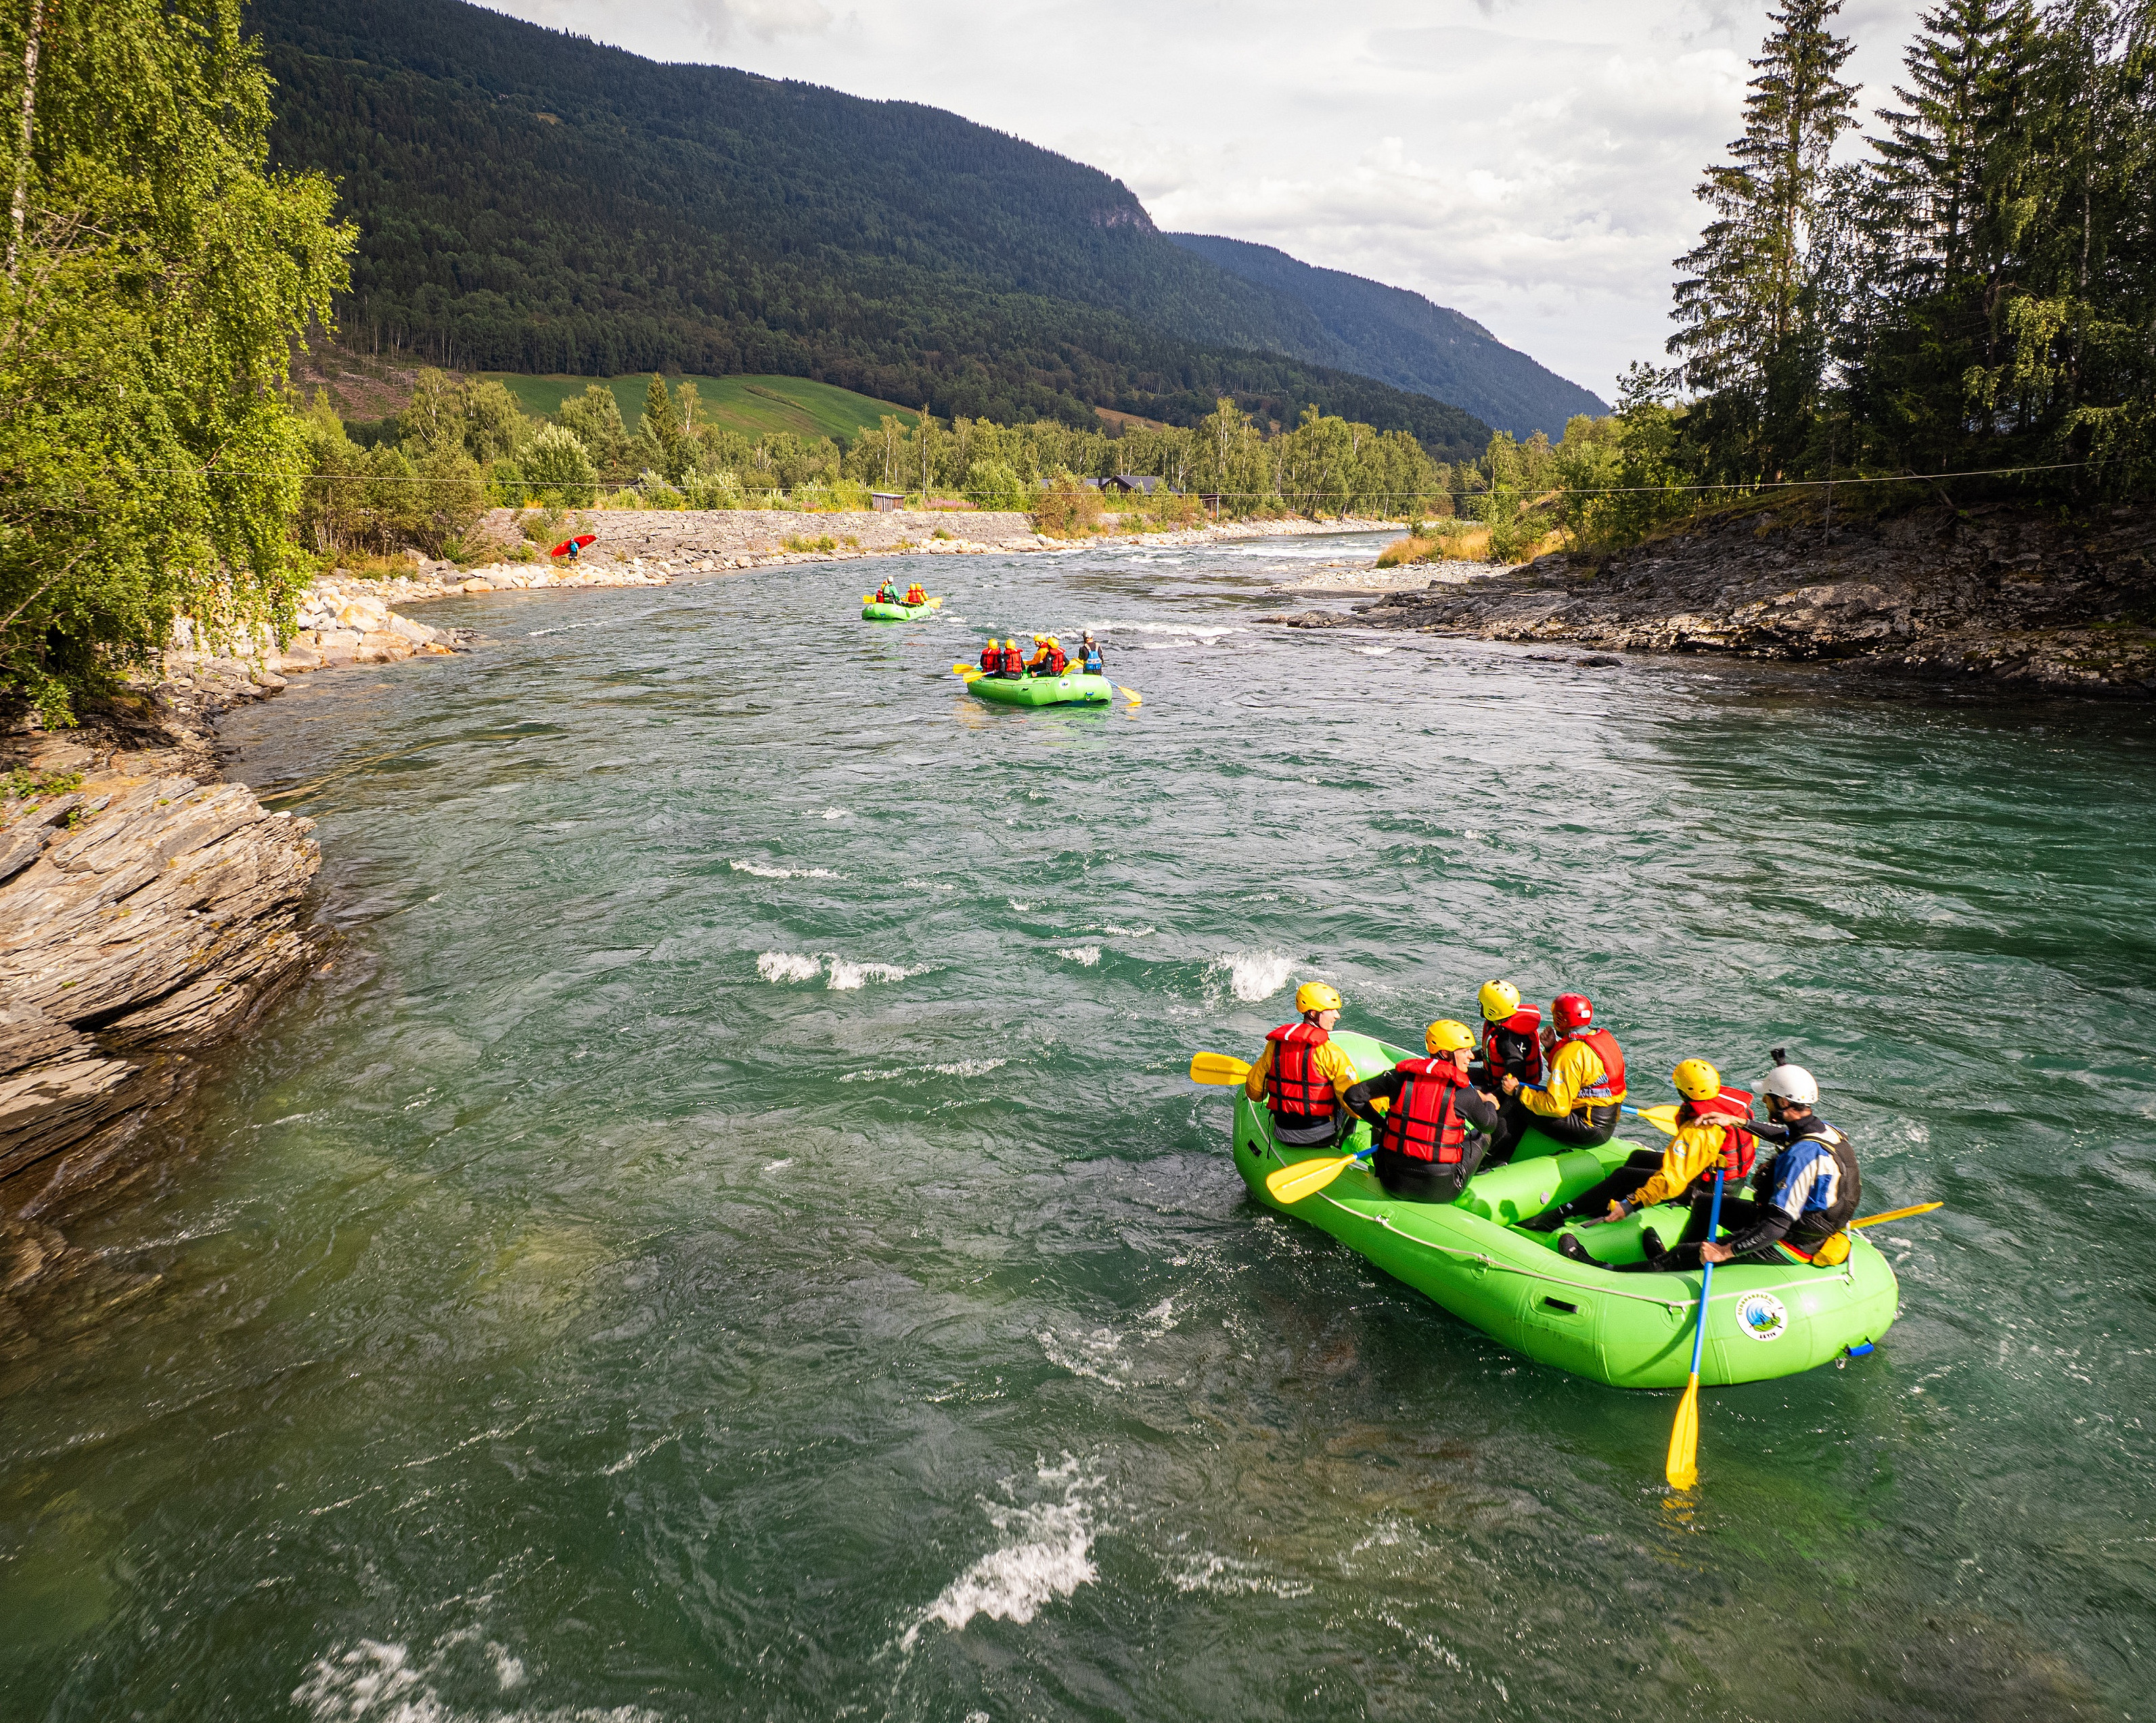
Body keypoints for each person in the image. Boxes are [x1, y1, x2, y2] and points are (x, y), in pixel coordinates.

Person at [1523, 1058, 1756, 1261]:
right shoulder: (1731, 1110)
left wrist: (1632, 1202)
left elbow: (1671, 1181)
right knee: (1638, 1157)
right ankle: (1601, 1208)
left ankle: (1558, 1216)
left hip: (1706, 1191)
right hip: (1722, 1178)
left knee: (1624, 1176)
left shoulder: (1699, 1131)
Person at [1343, 1020, 1505, 1202]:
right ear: (1445, 1053)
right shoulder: (1463, 1092)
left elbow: (1353, 1096)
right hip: (1441, 1190)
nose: (1470, 1056)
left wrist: (1383, 1124)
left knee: (1381, 1127)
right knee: (1483, 1136)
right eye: (1465, 1051)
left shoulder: (1398, 1077)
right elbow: (1489, 1126)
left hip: (1392, 1181)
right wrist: (1490, 1103)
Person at [1500, 991, 1625, 1148]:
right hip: (1606, 1123)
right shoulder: (1601, 1037)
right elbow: (1579, 1072)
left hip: (1588, 1129)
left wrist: (1517, 1091)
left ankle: (1497, 1156)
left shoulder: (1568, 1055)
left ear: (1561, 1020)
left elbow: (1557, 1107)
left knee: (1515, 1102)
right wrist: (1552, 1048)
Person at [1243, 983, 1360, 1148]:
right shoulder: (1331, 1053)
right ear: (1313, 1013)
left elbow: (1255, 1093)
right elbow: (1354, 1106)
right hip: (1322, 1136)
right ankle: (1339, 1145)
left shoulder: (1274, 1046)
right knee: (1351, 1103)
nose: (1337, 1016)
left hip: (1282, 1131)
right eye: (1332, 1010)